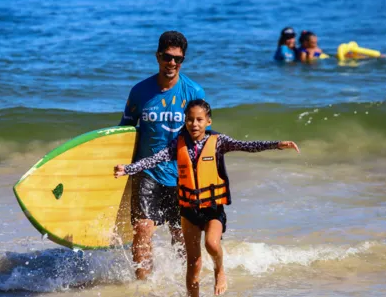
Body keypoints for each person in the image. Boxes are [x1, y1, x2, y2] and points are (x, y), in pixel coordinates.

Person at [114, 99, 299, 296]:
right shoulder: (178, 144)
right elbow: (154, 159)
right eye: (190, 120)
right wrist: (128, 169)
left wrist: (277, 145)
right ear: (184, 122)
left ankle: (220, 270)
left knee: (211, 244)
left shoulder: (219, 142)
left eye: (199, 120)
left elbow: (247, 145)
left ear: (208, 122)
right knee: (193, 266)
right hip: (189, 210)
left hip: (212, 209)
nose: (194, 124)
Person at [118, 31, 206, 280]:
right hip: (148, 173)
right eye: (167, 57)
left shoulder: (194, 92)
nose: (172, 63)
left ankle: (184, 283)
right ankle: (143, 286)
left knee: (181, 235)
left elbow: (202, 139)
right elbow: (123, 132)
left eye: (178, 59)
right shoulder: (139, 92)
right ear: (158, 56)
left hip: (182, 175)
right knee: (142, 230)